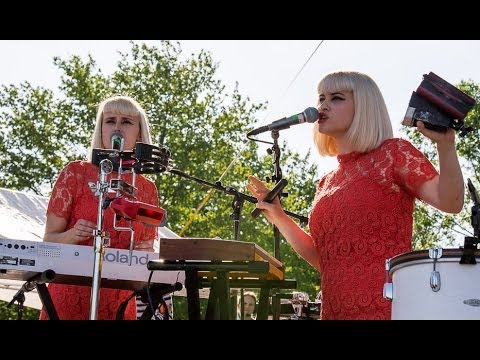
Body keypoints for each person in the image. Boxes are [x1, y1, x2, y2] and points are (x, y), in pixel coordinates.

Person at [247, 70, 464, 320]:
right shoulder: (326, 183)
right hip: (334, 312)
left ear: (364, 107)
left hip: (384, 309)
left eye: (336, 98)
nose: (322, 106)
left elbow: (451, 202)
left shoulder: (393, 154)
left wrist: (445, 146)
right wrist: (280, 218)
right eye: (321, 98)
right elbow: (325, 260)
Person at [39, 95, 159, 320]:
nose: (117, 127)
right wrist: (72, 235)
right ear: (101, 128)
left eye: (126, 122)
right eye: (110, 120)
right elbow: (49, 240)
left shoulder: (147, 188)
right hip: (68, 296)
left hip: (120, 301)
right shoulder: (76, 173)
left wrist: (146, 251)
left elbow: (147, 245)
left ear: (140, 133)